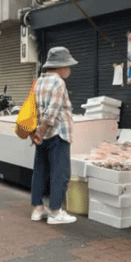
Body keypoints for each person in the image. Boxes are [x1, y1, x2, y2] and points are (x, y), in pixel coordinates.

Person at [29, 46, 78, 225]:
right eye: (68, 66)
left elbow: (35, 110)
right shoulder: (58, 82)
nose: (70, 70)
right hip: (58, 133)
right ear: (61, 66)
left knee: (40, 171)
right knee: (60, 173)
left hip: (42, 135)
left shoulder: (39, 81)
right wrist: (41, 131)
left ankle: (37, 208)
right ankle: (55, 212)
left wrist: (37, 133)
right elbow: (52, 113)